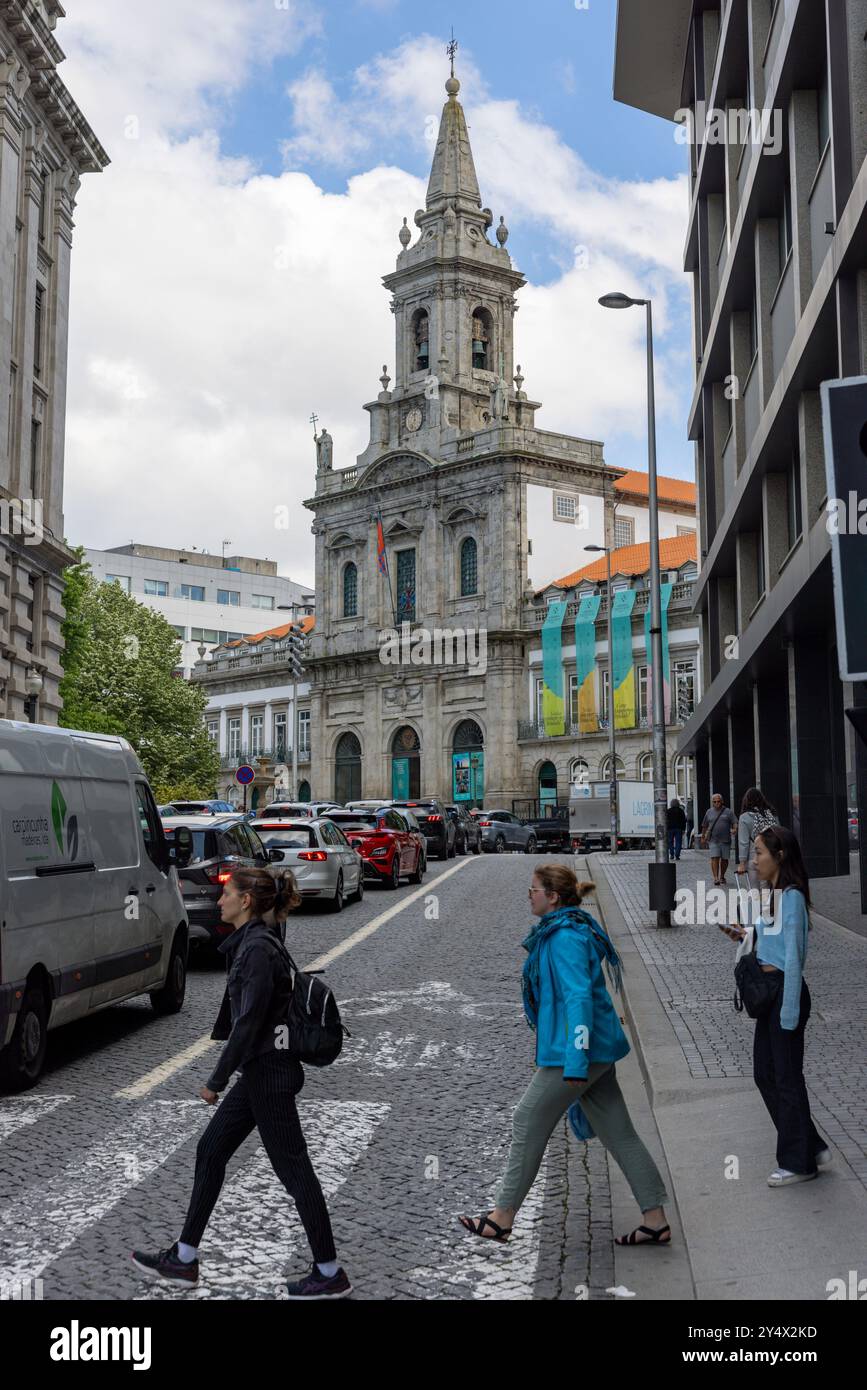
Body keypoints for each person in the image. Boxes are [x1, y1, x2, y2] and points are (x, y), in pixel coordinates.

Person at [132, 865, 352, 1299]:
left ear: (246, 902)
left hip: (269, 1076)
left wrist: (215, 1079)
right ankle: (185, 1258)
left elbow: (248, 1022)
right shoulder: (257, 942)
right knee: (211, 1150)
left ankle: (329, 1271)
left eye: (226, 894)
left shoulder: (256, 949)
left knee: (295, 1172)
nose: (219, 901)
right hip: (261, 1074)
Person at [459, 864, 671, 1248]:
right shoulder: (566, 930)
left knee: (526, 1118)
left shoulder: (563, 938)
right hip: (595, 1051)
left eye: (534, 889)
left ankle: (502, 1216)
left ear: (552, 897)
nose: (529, 894)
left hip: (578, 1055)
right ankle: (654, 1219)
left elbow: (579, 998)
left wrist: (575, 1059)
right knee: (619, 1133)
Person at [726, 827, 830, 1186]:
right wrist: (745, 934)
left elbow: (793, 956)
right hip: (770, 995)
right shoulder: (773, 895)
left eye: (759, 853)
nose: (754, 860)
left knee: (785, 1078)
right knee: (765, 1074)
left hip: (785, 993)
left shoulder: (794, 898)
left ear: (779, 855)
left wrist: (788, 1013)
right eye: (754, 853)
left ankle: (798, 1163)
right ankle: (810, 1144)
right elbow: (768, 933)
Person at [736, 788, 777, 890]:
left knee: (754, 892)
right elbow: (779, 833)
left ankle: (757, 906)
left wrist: (742, 863)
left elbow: (743, 842)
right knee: (769, 890)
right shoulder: (771, 814)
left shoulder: (745, 817)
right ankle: (771, 905)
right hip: (771, 855)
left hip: (754, 856)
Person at [700, 792, 737, 886]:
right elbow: (704, 825)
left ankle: (722, 876)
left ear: (722, 801)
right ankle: (716, 878)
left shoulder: (728, 812)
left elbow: (735, 822)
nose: (717, 803)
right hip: (713, 840)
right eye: (715, 802)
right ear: (712, 802)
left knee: (724, 859)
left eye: (718, 801)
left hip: (726, 840)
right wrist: (703, 837)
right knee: (714, 858)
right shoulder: (709, 812)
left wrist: (734, 829)